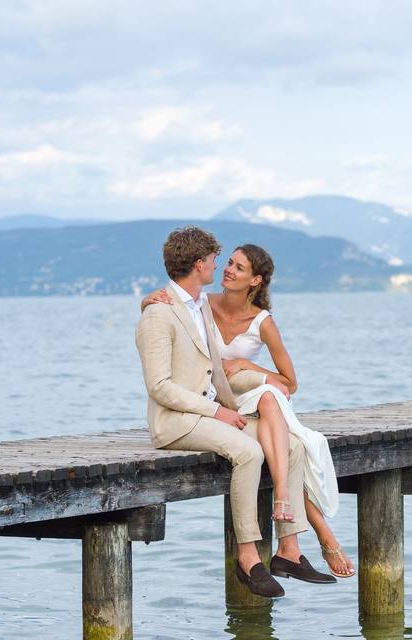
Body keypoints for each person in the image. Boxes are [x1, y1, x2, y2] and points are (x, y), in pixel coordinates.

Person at [135, 226, 334, 599]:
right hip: (175, 422)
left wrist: (228, 399)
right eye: (215, 261)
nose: (219, 267)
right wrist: (217, 411)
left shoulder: (198, 307)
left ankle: (289, 551)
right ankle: (248, 557)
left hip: (211, 410)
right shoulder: (159, 314)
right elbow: (159, 388)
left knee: (290, 447)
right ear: (198, 264)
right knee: (249, 452)